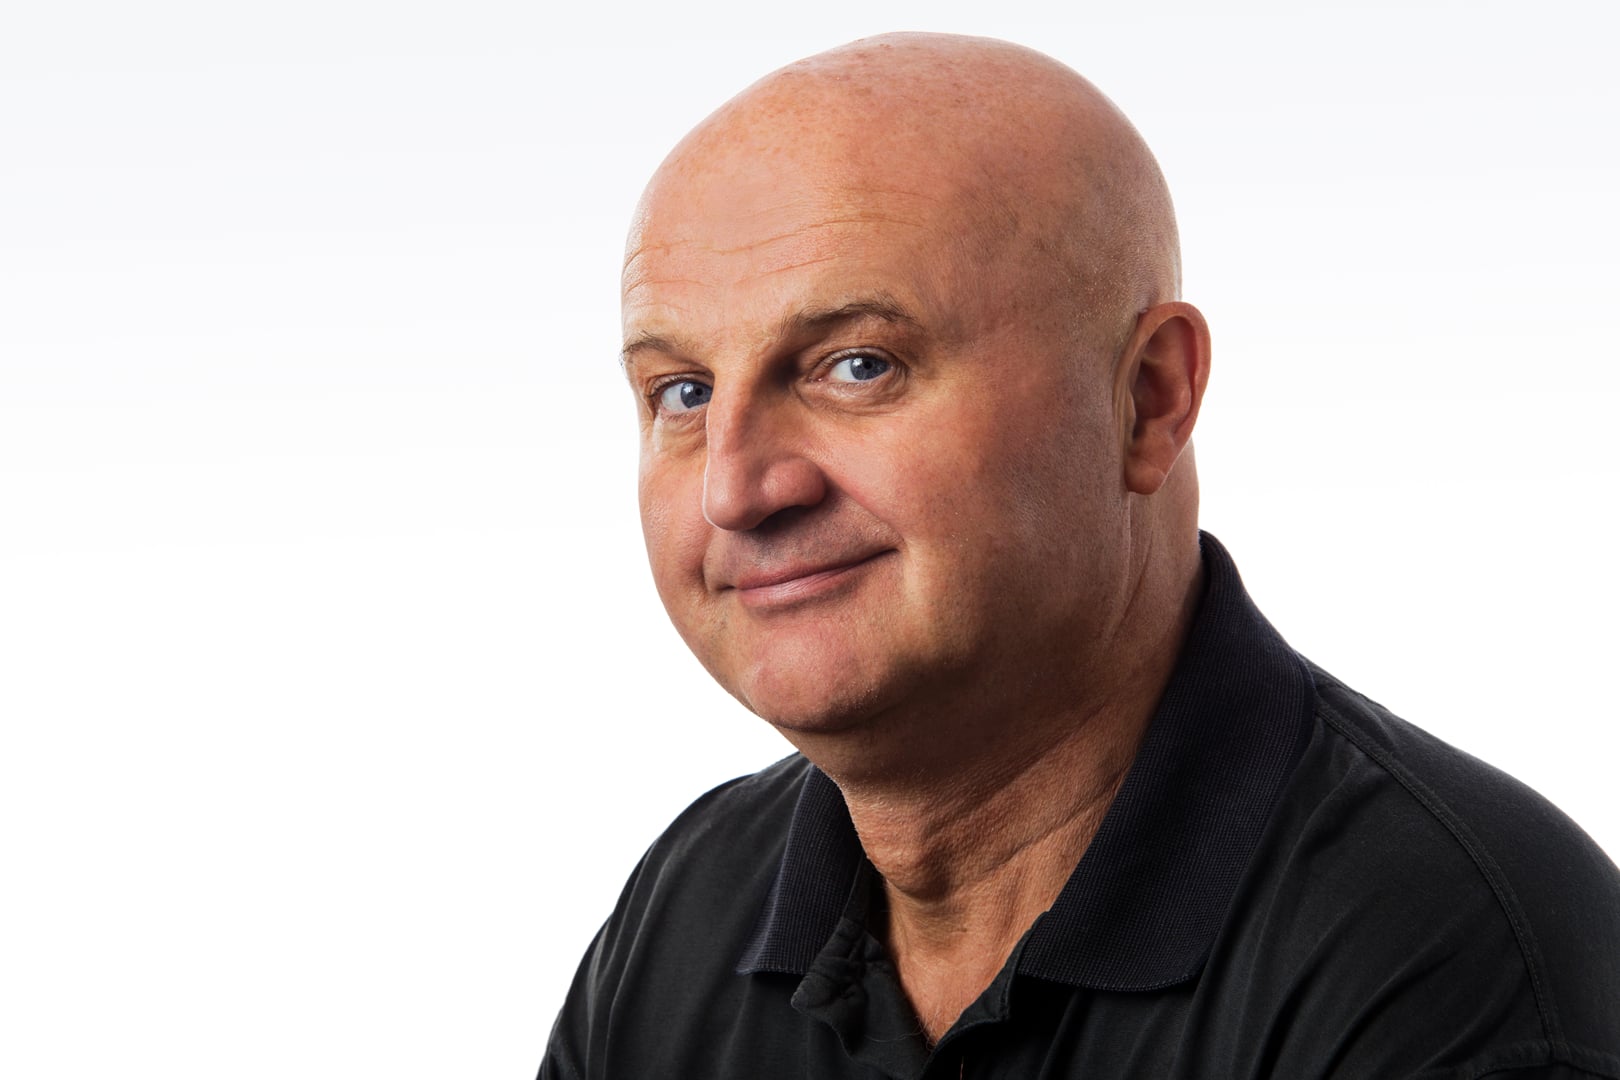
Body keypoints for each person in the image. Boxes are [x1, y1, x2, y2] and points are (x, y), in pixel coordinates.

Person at [540, 32, 1620, 1080]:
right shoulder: (688, 913)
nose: (735, 489)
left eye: (859, 366)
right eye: (682, 392)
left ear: (1149, 398)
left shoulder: (1440, 967)